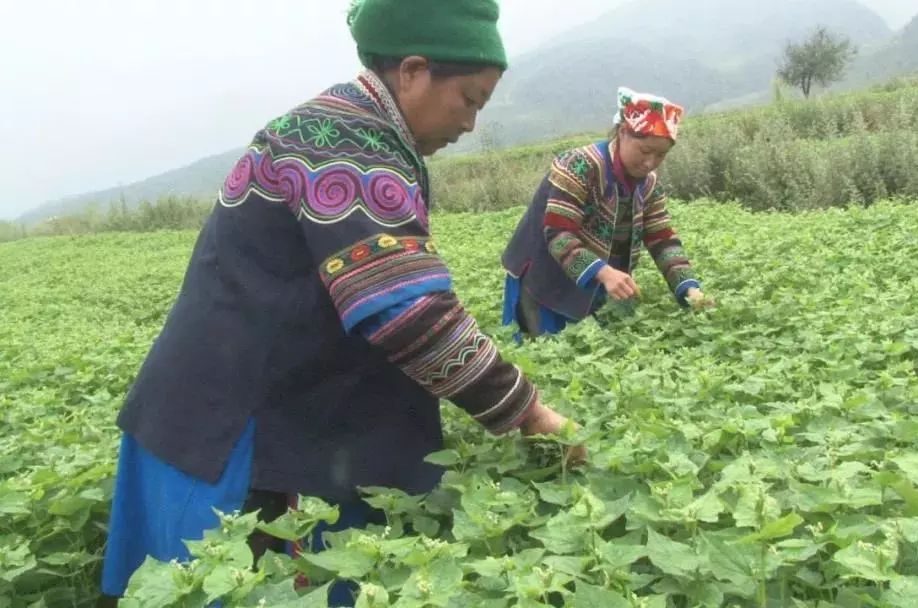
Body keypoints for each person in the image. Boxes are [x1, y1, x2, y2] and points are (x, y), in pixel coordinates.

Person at [99, 0, 583, 604]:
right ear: (411, 71)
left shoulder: (352, 126)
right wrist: (529, 412)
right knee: (240, 585)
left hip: (251, 394)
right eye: (470, 99)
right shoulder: (347, 145)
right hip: (235, 425)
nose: (471, 124)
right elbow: (411, 312)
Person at [501, 87, 713, 339]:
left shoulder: (648, 184)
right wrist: (603, 272)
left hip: (596, 277)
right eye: (645, 151)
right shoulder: (578, 165)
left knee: (590, 348)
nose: (650, 162)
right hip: (543, 275)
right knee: (546, 350)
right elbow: (558, 234)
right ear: (623, 132)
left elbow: (662, 239)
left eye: (661, 155)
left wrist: (689, 288)